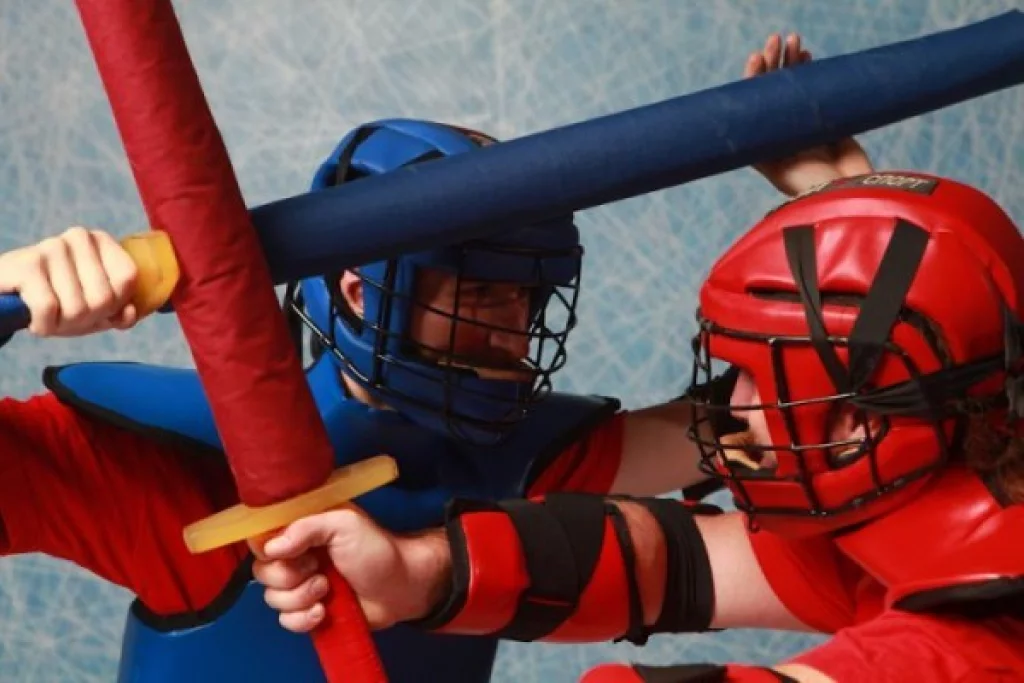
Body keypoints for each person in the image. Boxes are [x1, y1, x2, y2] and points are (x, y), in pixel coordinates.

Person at [0, 34, 868, 683]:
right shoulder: (176, 467)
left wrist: (847, 208)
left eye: (528, 297)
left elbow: (787, 422)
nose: (514, 326)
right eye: (482, 292)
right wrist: (7, 289)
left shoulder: (519, 456)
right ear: (358, 290)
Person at [252, 168, 1024, 683]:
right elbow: (677, 560)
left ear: (858, 416)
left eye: (758, 375)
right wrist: (419, 570)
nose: (732, 407)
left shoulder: (976, 642)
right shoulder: (941, 528)